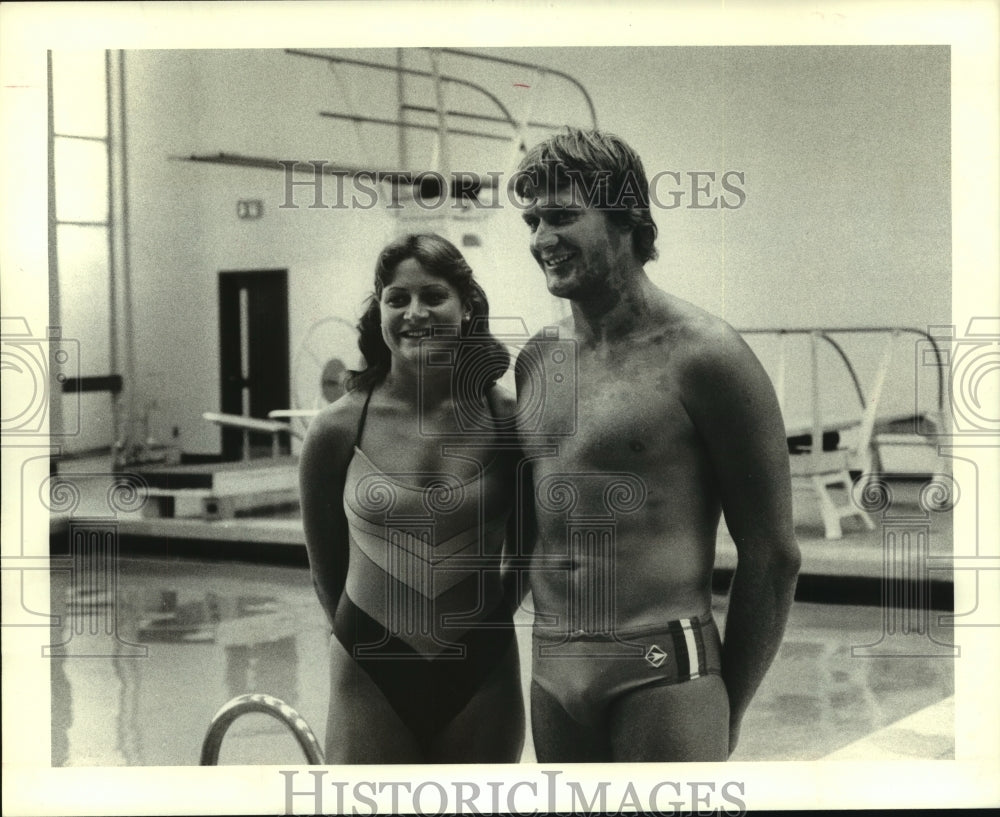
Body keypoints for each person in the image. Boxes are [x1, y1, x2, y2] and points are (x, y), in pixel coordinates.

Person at [510, 128, 801, 762]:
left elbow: (773, 555)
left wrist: (729, 702)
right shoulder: (538, 359)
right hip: (552, 668)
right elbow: (529, 527)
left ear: (627, 219)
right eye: (532, 220)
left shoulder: (706, 356)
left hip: (661, 669)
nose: (540, 239)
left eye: (562, 216)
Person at [298, 233, 525, 763]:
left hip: (481, 668)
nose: (414, 312)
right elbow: (323, 566)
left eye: (433, 297)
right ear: (379, 312)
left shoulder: (507, 420)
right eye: (397, 299)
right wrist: (365, 640)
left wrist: (489, 623)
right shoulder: (336, 429)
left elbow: (530, 548)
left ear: (467, 306)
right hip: (370, 669)